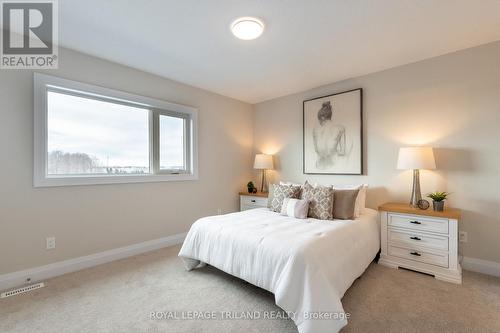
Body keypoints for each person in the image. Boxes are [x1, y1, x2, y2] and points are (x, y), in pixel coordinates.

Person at [313, 101, 347, 169]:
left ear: (322, 118)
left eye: (319, 120)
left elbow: (316, 150)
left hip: (319, 166)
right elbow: (342, 152)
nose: (319, 122)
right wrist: (333, 150)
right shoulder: (340, 128)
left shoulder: (315, 130)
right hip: (333, 165)